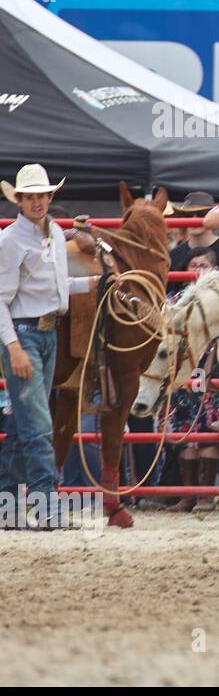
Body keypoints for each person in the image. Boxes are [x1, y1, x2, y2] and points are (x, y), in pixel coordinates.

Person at [0, 165, 104, 528]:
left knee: (24, 425)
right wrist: (14, 348)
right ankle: (47, 509)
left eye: (41, 196)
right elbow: (0, 299)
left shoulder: (57, 236)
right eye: (30, 197)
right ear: (20, 200)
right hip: (26, 335)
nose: (37, 202)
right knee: (39, 426)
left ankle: (6, 507)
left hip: (45, 333)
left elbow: (59, 286)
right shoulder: (11, 241)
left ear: (49, 198)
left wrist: (91, 282)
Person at [159, 247, 219, 513]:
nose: (198, 270)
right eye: (193, 265)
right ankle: (188, 495)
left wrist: (205, 370)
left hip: (205, 370)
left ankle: (205, 496)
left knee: (207, 432)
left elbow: (218, 340)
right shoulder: (173, 299)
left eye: (204, 265)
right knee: (183, 433)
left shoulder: (217, 301)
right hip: (179, 372)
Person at [168, 191, 219, 292]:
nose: (194, 219)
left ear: (211, 216)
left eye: (201, 214)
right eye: (188, 214)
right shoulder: (173, 255)